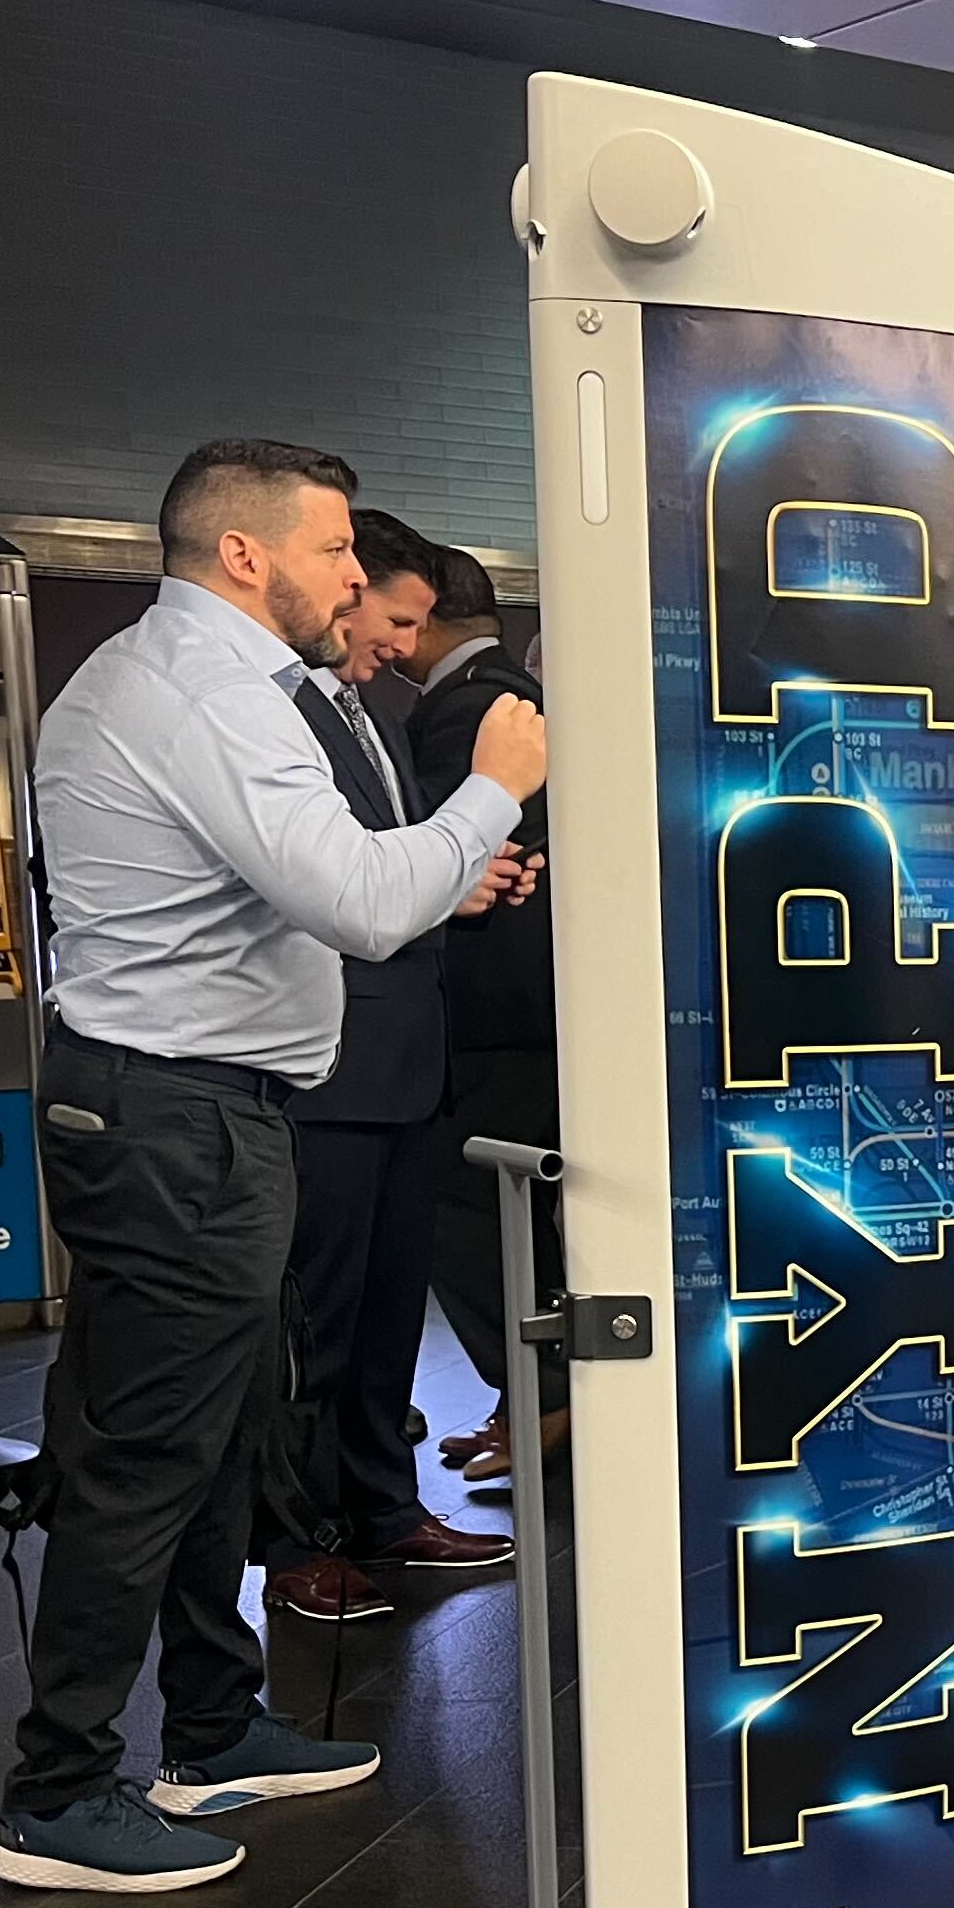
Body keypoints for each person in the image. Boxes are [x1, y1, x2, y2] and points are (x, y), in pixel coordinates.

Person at [0, 439, 541, 1892]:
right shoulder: (202, 691)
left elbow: (315, 890)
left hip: (206, 1113)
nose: (360, 577)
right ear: (245, 555)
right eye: (336, 550)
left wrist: (445, 858)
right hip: (171, 1119)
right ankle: (56, 1793)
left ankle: (213, 1729)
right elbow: (359, 899)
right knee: (148, 1454)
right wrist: (490, 791)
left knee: (225, 1437)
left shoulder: (212, 687)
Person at [261, 508, 523, 1622]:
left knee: (381, 1329)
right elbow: (311, 890)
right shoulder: (272, 724)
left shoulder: (375, 714)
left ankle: (380, 1515)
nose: (407, 644)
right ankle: (298, 1544)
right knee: (314, 1331)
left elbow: (379, 877)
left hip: (405, 1067)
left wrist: (456, 891)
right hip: (325, 1070)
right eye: (395, 618)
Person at [400, 542, 562, 1482]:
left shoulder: (467, 708)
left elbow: (424, 861)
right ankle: (532, 1398)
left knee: (469, 1217)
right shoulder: (515, 699)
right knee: (511, 1221)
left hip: (486, 1014)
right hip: (528, 1017)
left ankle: (543, 1394)